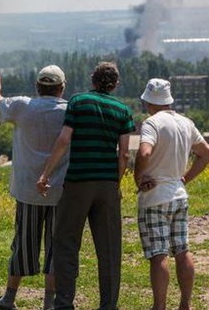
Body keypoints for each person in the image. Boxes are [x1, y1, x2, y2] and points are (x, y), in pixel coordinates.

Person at [36, 62, 135, 310]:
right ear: (115, 84)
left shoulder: (78, 102)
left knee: (67, 243)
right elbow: (124, 154)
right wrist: (116, 182)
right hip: (107, 185)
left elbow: (64, 140)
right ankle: (108, 305)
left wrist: (45, 174)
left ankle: (65, 303)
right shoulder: (123, 110)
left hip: (78, 182)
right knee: (109, 249)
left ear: (92, 79)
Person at [0, 65, 69, 310]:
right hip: (59, 191)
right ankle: (49, 303)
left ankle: (9, 298)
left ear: (37, 87)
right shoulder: (70, 111)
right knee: (56, 249)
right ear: (62, 88)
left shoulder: (22, 106)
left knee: (22, 245)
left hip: (28, 190)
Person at [134, 78, 209, 310]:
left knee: (158, 254)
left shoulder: (151, 124)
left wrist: (139, 177)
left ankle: (159, 306)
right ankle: (185, 304)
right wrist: (185, 178)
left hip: (155, 196)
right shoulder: (185, 122)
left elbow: (144, 152)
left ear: (148, 101)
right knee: (182, 250)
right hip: (178, 193)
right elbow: (205, 153)